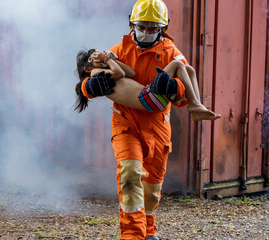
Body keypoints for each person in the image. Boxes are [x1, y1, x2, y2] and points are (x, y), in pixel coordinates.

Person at [78, 0, 218, 239]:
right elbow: (90, 82)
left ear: (163, 28)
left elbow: (182, 97)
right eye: (142, 26)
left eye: (153, 28)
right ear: (132, 23)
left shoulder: (171, 53)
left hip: (158, 127)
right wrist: (88, 86)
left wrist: (174, 88)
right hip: (126, 124)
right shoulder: (119, 50)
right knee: (130, 176)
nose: (146, 32)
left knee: (152, 189)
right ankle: (132, 235)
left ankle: (148, 231)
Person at [74, 49, 220, 122]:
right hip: (148, 98)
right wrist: (105, 59)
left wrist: (110, 58)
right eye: (94, 58)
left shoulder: (107, 67)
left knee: (189, 70)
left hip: (150, 98)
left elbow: (130, 72)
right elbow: (119, 73)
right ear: (88, 68)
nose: (99, 58)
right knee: (177, 64)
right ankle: (194, 105)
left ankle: (196, 105)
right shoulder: (94, 74)